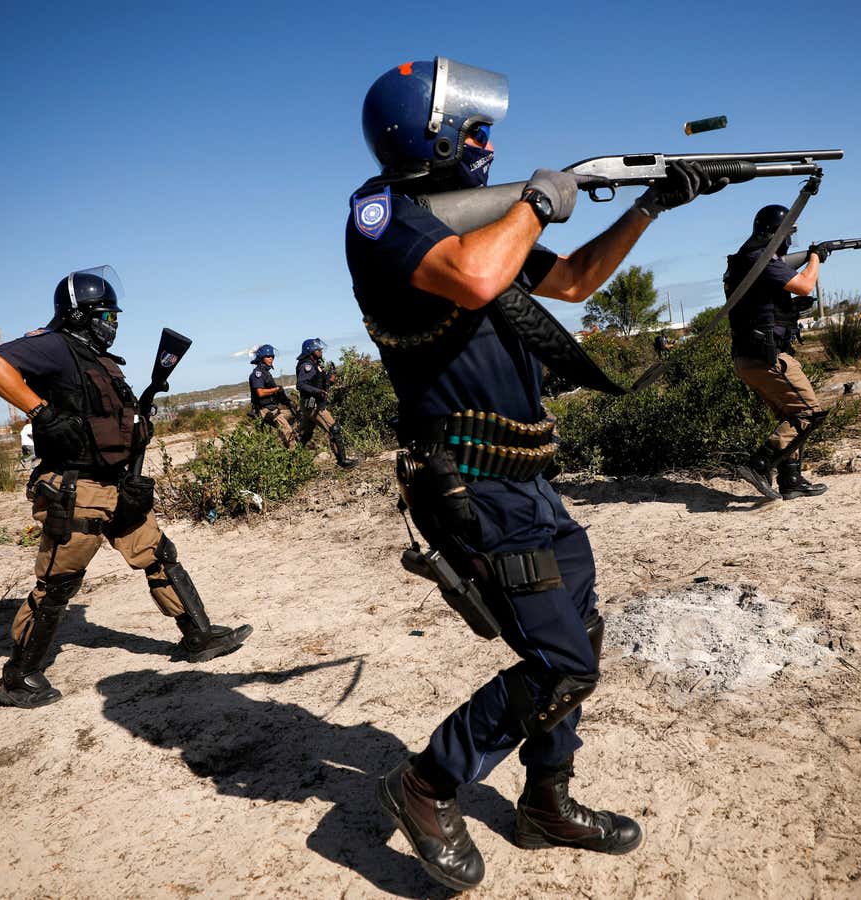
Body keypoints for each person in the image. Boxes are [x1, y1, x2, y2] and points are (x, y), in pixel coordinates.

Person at [347, 56, 723, 891]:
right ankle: (428, 781)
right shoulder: (383, 218)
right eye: (474, 129)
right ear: (431, 135)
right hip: (471, 483)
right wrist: (537, 201)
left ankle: (546, 802)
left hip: (530, 480)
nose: (487, 142)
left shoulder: (477, 230)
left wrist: (650, 205)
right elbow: (480, 275)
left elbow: (579, 282)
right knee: (561, 662)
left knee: (578, 637)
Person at [0, 265, 252, 709]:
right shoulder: (57, 346)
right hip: (77, 489)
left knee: (159, 555)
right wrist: (41, 411)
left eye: (115, 316)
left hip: (117, 484)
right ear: (82, 315)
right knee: (58, 584)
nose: (114, 324)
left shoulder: (96, 357)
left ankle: (198, 636)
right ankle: (19, 677)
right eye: (106, 315)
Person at [725, 205, 831, 502]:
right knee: (808, 414)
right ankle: (758, 464)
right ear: (777, 234)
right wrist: (815, 257)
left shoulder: (746, 261)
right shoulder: (760, 258)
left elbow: (761, 305)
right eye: (788, 236)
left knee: (790, 414)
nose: (788, 243)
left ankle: (791, 480)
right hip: (766, 356)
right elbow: (805, 284)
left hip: (750, 356)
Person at [294, 338, 359, 468]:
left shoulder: (314, 364)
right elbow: (301, 384)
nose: (321, 350)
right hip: (313, 405)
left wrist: (330, 379)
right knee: (334, 429)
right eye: (318, 349)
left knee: (306, 434)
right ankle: (343, 461)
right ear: (311, 351)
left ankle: (292, 461)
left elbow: (317, 381)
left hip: (309, 404)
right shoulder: (306, 365)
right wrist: (318, 391)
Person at [248, 345, 298, 449]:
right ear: (261, 358)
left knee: (295, 418)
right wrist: (276, 389)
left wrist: (288, 403)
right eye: (268, 356)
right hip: (266, 410)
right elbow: (260, 392)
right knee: (288, 433)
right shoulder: (258, 373)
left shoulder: (266, 373)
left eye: (272, 356)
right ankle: (295, 460)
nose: (271, 358)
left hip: (271, 408)